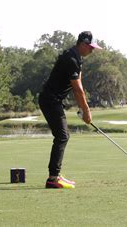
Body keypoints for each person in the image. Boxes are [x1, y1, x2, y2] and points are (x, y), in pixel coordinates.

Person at [38, 31, 102, 189]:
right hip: (50, 100)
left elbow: (78, 82)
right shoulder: (71, 58)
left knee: (62, 135)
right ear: (83, 44)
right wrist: (86, 111)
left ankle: (55, 176)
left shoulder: (76, 57)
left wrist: (82, 108)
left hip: (53, 100)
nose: (92, 51)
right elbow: (78, 90)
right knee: (62, 135)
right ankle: (53, 178)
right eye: (90, 47)